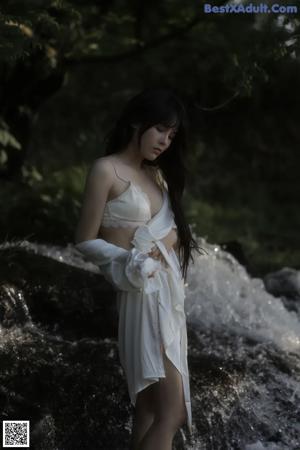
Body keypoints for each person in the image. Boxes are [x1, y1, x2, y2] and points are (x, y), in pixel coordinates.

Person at [74, 87, 205, 450]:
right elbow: (85, 239)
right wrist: (131, 260)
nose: (165, 140)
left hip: (166, 295)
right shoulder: (106, 170)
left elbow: (168, 236)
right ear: (137, 121)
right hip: (141, 295)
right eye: (161, 129)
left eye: (172, 134)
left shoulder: (158, 176)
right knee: (172, 413)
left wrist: (163, 245)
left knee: (148, 408)